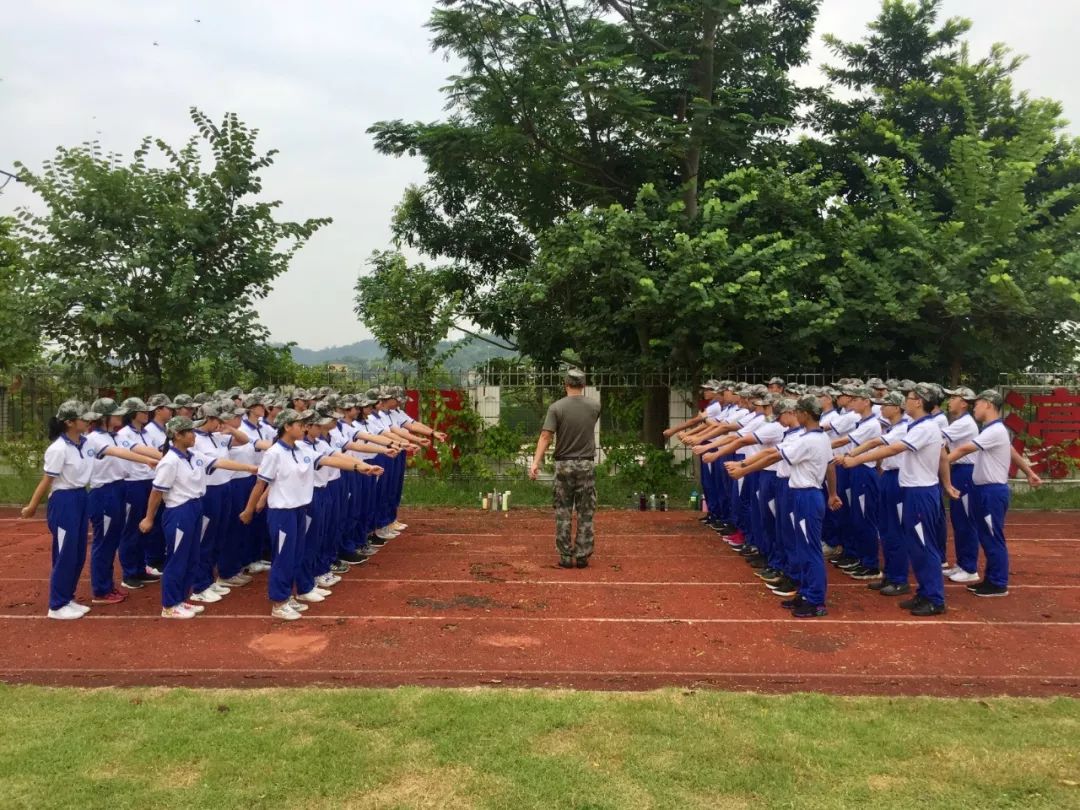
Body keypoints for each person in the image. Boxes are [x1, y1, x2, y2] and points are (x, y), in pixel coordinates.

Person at [240, 408, 383, 621]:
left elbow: (329, 460)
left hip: (300, 510)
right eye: (299, 424)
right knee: (284, 557)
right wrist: (249, 510)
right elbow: (261, 483)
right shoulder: (274, 453)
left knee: (296, 554)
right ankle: (279, 602)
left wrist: (360, 467)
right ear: (287, 427)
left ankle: (292, 594)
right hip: (282, 513)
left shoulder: (301, 450)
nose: (303, 427)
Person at [841, 383, 952, 616]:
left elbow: (893, 449)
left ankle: (934, 598)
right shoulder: (918, 425)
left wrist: (857, 459)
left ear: (919, 401)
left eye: (909, 398)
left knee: (924, 546)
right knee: (914, 543)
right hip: (913, 489)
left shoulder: (926, 427)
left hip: (921, 492)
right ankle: (924, 592)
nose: (906, 402)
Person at [729, 395, 840, 617]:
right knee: (802, 546)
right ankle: (806, 591)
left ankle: (816, 599)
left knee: (810, 549)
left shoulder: (809, 440)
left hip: (806, 495)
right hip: (807, 494)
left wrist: (743, 469)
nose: (795, 414)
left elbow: (774, 457)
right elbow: (830, 467)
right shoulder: (819, 438)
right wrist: (833, 493)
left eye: (798, 410)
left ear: (806, 414)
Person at [140, 417, 258, 618]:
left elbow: (219, 462)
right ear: (177, 435)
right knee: (177, 558)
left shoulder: (193, 455)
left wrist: (250, 468)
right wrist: (149, 518)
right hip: (179, 511)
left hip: (195, 506)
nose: (194, 435)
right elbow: (157, 492)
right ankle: (169, 604)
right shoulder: (170, 461)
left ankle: (181, 599)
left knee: (191, 556)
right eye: (189, 432)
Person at [946, 389, 1042, 597]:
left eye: (978, 403)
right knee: (986, 535)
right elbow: (1011, 451)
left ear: (988, 404)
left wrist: (939, 464)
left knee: (992, 537)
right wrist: (1029, 472)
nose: (975, 407)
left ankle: (998, 582)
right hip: (984, 490)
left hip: (991, 491)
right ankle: (991, 579)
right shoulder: (992, 430)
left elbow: (963, 450)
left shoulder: (994, 430)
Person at [21, 402, 101, 619]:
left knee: (77, 552)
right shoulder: (58, 448)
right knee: (65, 552)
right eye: (83, 419)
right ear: (69, 422)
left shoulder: (85, 443)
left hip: (81, 497)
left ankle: (67, 597)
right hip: (64, 501)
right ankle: (56, 605)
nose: (88, 422)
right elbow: (48, 480)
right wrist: (32, 506)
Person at [83, 398, 164, 605]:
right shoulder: (95, 438)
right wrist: (147, 460)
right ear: (104, 417)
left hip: (118, 488)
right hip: (104, 493)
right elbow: (120, 452)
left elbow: (134, 448)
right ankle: (101, 589)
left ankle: (120, 579)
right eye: (115, 414)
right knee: (105, 542)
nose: (120, 416)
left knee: (114, 538)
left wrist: (162, 456)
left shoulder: (112, 436)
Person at [529, 369, 602, 568]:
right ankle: (582, 555)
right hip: (586, 463)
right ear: (584, 385)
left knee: (563, 510)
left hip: (564, 464)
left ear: (565, 384)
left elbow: (546, 436)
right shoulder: (595, 406)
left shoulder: (556, 408)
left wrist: (535, 462)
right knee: (585, 511)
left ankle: (564, 555)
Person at [116, 397, 165, 589]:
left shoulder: (145, 432)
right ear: (132, 413)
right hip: (132, 483)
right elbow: (140, 450)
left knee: (147, 525)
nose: (147, 414)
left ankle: (140, 568)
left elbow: (154, 449)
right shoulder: (124, 434)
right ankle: (129, 573)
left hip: (148, 481)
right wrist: (168, 458)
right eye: (143, 411)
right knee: (131, 529)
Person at [941, 386, 981, 583]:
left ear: (964, 402)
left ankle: (970, 567)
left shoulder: (964, 423)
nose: (949, 401)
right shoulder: (959, 422)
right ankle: (962, 562)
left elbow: (938, 437)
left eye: (953, 397)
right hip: (959, 472)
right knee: (958, 520)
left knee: (966, 521)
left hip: (966, 473)